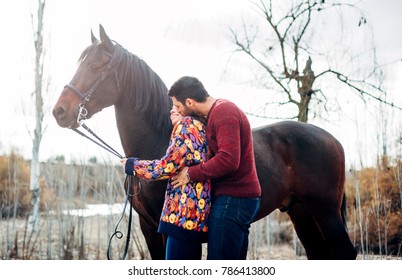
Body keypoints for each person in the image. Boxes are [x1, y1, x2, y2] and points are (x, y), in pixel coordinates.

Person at [169, 76, 261, 260]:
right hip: (236, 199)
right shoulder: (216, 113)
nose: (177, 111)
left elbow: (228, 159)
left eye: (178, 107)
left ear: (190, 102)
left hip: (233, 200)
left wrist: (191, 174)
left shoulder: (224, 112)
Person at [121, 106, 210, 260]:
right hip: (193, 215)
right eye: (171, 107)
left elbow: (166, 167)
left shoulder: (185, 126)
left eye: (176, 106)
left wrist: (133, 166)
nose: (171, 110)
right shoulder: (199, 127)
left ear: (189, 107)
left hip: (183, 216)